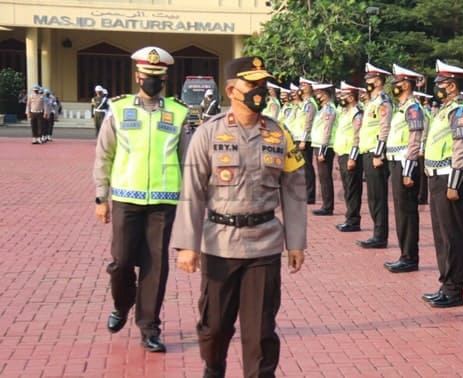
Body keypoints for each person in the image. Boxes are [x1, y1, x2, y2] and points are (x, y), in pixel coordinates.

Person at [170, 56, 306, 378]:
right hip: (220, 243)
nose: (260, 90)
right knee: (215, 327)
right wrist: (187, 245)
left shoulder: (279, 134)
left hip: (264, 244)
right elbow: (192, 191)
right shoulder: (208, 133)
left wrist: (296, 241)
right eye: (252, 84)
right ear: (232, 89)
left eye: (262, 84)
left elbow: (294, 189)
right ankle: (213, 368)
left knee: (260, 332)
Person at [93, 46, 190, 353]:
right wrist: (101, 196)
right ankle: (122, 303)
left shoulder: (178, 112)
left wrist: (188, 204)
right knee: (121, 262)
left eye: (158, 76)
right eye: (148, 76)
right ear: (138, 76)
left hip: (164, 200)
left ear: (164, 78)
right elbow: (104, 155)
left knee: (156, 265)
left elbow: (186, 159)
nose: (153, 81)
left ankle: (149, 327)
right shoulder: (119, 110)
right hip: (126, 197)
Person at [421, 59, 463, 308]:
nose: (437, 87)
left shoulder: (459, 111)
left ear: (452, 86)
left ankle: (454, 290)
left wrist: (454, 183)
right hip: (436, 176)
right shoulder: (444, 109)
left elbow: (460, 148)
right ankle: (445, 284)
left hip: (449, 178)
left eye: (440, 84)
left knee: (452, 235)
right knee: (441, 235)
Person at [383, 64, 425, 273]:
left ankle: (410, 257)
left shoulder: (413, 108)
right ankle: (405, 254)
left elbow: (414, 140)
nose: (394, 87)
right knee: (400, 211)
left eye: (397, 84)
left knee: (406, 212)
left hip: (405, 163)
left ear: (406, 84)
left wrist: (408, 170)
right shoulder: (402, 107)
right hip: (396, 162)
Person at [356, 63, 393, 249]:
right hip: (367, 152)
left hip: (375, 154)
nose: (367, 83)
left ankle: (380, 236)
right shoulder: (371, 102)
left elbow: (384, 129)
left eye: (370, 80)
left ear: (378, 81)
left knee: (378, 196)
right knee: (372, 196)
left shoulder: (383, 102)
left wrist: (379, 153)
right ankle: (377, 233)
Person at [333, 82, 364, 232]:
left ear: (351, 97)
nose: (341, 98)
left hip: (351, 155)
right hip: (343, 153)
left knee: (352, 189)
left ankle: (353, 220)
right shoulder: (345, 112)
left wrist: (352, 157)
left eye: (344, 95)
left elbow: (357, 136)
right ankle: (349, 218)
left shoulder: (357, 112)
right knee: (347, 188)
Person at [310, 83, 337, 216]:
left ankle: (328, 207)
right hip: (319, 144)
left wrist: (322, 150)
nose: (317, 96)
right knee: (322, 177)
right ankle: (326, 204)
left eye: (319, 93)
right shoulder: (323, 109)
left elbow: (327, 130)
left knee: (325, 177)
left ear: (325, 94)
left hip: (324, 146)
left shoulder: (329, 109)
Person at [297, 77, 318, 204]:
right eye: (301, 85)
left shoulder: (310, 103)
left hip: (305, 139)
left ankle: (310, 196)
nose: (302, 87)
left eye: (305, 85)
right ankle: (304, 193)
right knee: (301, 168)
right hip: (299, 138)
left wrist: (304, 139)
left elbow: (308, 123)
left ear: (311, 88)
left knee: (307, 168)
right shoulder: (303, 103)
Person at [414, 91, 433, 205]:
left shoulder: (423, 112)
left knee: (421, 174)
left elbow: (424, 131)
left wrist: (421, 148)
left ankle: (422, 196)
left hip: (422, 147)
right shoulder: (419, 110)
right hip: (418, 146)